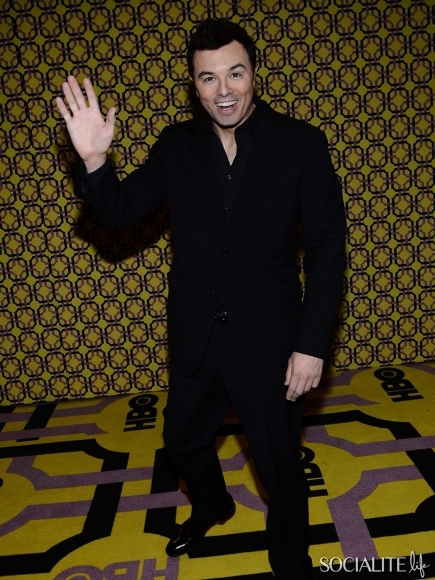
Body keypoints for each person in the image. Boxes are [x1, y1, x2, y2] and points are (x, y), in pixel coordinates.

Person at [56, 18, 346, 580]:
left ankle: (291, 563)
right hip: (198, 335)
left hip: (271, 340)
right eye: (208, 78)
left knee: (280, 467)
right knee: (182, 443)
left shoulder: (301, 144)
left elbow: (327, 249)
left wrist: (312, 345)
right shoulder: (177, 145)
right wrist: (93, 160)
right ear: (194, 85)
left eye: (235, 73)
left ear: (254, 73)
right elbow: (118, 212)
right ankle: (214, 505)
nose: (224, 90)